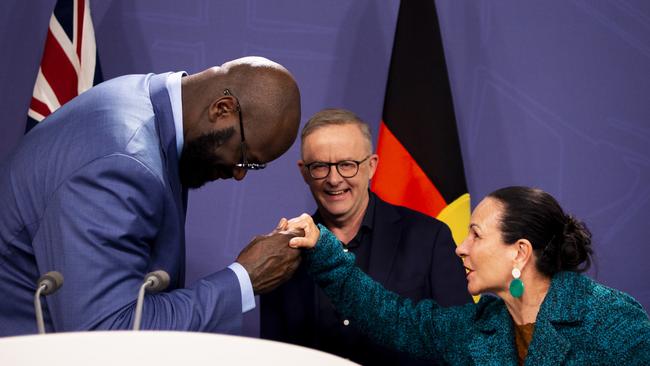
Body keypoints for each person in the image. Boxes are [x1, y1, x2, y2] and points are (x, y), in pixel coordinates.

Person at [0, 56, 303, 336]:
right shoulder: (123, 160)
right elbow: (107, 336)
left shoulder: (151, 108)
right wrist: (243, 280)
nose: (239, 175)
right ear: (221, 109)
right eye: (244, 158)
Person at [287, 186, 650, 365]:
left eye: (475, 234)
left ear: (519, 251)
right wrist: (323, 247)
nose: (460, 247)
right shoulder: (478, 326)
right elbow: (390, 316)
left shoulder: (611, 319)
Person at [261, 109, 471, 365]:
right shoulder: (285, 250)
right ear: (304, 172)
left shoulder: (429, 237)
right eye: (320, 167)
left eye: (347, 165)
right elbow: (272, 355)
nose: (334, 179)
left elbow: (460, 341)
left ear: (371, 166)